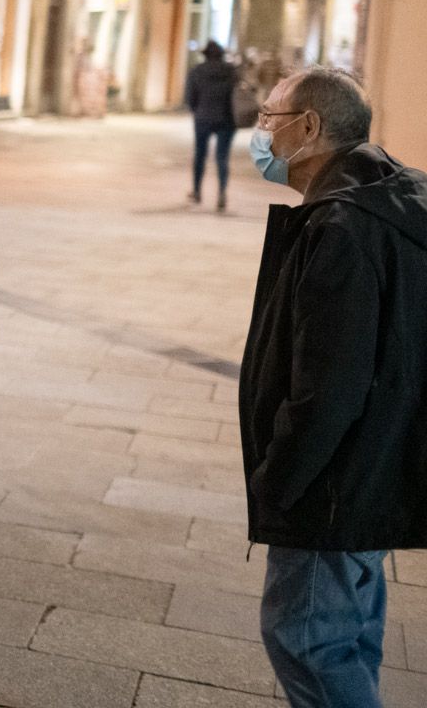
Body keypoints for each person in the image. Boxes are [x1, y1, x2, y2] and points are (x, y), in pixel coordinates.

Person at [239, 67, 427, 707]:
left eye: (270, 117)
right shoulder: (396, 199)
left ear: (309, 128)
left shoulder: (342, 229)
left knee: (305, 639)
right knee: (347, 638)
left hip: (332, 486)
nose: (260, 132)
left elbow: (328, 388)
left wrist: (278, 482)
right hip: (376, 470)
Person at [184, 40, 239, 212]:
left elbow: (189, 97)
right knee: (222, 158)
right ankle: (222, 193)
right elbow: (239, 94)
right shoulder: (231, 71)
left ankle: (197, 191)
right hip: (227, 119)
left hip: (203, 118)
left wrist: (197, 110)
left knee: (200, 155)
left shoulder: (197, 71)